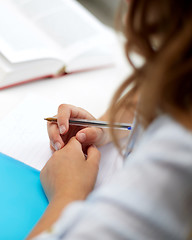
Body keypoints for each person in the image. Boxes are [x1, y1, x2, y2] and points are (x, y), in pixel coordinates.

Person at [27, 0, 192, 239]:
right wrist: (104, 127)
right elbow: (149, 91)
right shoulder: (180, 66)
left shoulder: (179, 153)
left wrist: (69, 192)